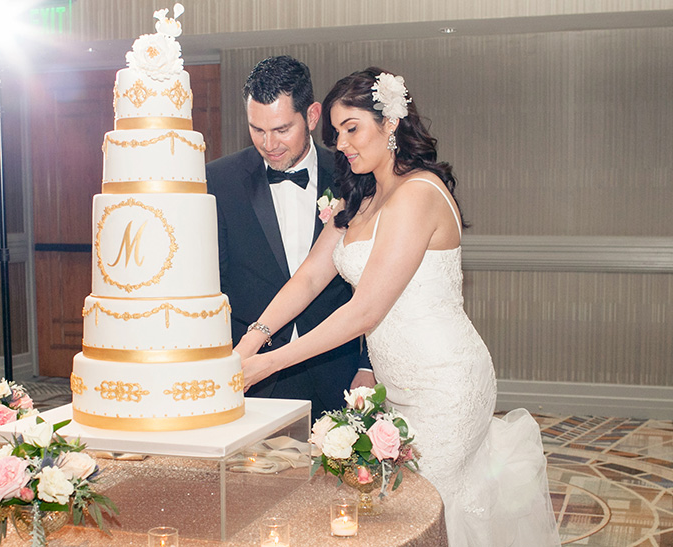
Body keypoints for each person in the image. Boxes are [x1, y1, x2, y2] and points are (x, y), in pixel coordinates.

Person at [235, 67, 560, 546]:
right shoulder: (359, 198)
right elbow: (307, 278)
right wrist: (249, 341)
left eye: (352, 129)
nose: (341, 144)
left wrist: (267, 364)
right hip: (396, 388)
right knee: (395, 515)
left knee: (427, 516)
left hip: (445, 385)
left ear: (389, 123)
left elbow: (365, 311)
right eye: (337, 132)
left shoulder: (419, 193)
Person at [206, 56, 370, 422]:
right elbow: (212, 284)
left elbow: (378, 281)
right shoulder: (220, 180)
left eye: (282, 129)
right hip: (252, 373)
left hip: (336, 368)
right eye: (257, 130)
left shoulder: (352, 175)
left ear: (312, 116)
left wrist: (368, 366)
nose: (269, 144)